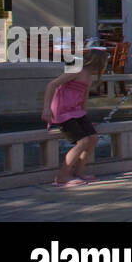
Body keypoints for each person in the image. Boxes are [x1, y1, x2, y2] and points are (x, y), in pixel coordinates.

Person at [42, 50, 108, 186]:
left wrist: (84, 119)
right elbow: (52, 85)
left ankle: (79, 171)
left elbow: (84, 97)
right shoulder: (76, 71)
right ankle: (62, 176)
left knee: (93, 138)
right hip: (62, 111)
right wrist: (46, 108)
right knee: (83, 142)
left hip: (76, 112)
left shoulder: (89, 77)